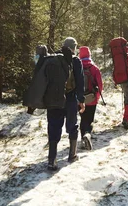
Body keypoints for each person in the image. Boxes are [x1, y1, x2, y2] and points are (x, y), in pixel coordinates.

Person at [45, 37, 85, 170]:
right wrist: (82, 100)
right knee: (72, 125)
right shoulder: (75, 60)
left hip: (53, 99)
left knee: (53, 127)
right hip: (70, 99)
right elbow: (80, 82)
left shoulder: (52, 59)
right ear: (74, 47)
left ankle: (52, 160)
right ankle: (72, 155)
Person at [78, 46, 103, 151]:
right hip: (91, 98)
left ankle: (83, 136)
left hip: (80, 99)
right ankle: (87, 134)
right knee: (89, 119)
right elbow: (100, 85)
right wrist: (97, 97)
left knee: (83, 118)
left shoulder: (76, 66)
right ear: (89, 54)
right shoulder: (94, 68)